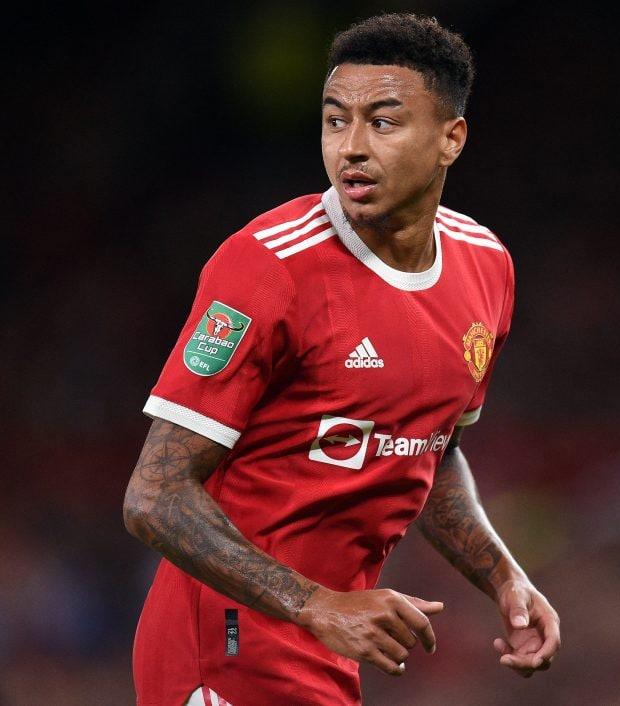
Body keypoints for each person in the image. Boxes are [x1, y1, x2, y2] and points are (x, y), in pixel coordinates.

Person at [122, 13, 561, 706]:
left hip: (329, 643)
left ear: (451, 139)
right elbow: (154, 496)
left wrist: (505, 578)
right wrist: (316, 605)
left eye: (382, 123)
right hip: (225, 647)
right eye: (335, 121)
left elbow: (429, 448)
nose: (351, 147)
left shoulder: (485, 267)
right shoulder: (269, 266)